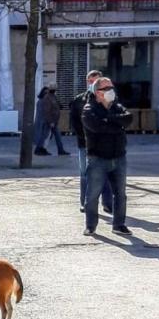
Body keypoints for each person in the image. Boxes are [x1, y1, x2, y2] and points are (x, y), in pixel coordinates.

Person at [82, 77, 133, 237]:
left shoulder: (117, 106)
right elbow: (98, 128)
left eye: (111, 87)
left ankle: (119, 224)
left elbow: (128, 119)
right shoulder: (89, 109)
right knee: (92, 195)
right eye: (106, 88)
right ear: (98, 93)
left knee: (120, 194)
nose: (111, 90)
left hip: (118, 157)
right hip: (98, 158)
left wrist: (110, 119)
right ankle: (90, 225)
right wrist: (116, 124)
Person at [70, 70, 113, 214]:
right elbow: (74, 123)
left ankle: (107, 203)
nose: (92, 84)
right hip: (85, 145)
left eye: (96, 82)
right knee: (85, 174)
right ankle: (85, 203)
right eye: (90, 81)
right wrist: (84, 136)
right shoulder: (78, 100)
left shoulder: (109, 100)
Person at [33, 83, 69, 156]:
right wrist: (50, 121)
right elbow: (46, 111)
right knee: (45, 135)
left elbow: (56, 107)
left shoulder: (53, 97)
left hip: (53, 120)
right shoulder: (46, 99)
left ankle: (59, 150)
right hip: (49, 121)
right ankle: (39, 149)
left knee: (52, 135)